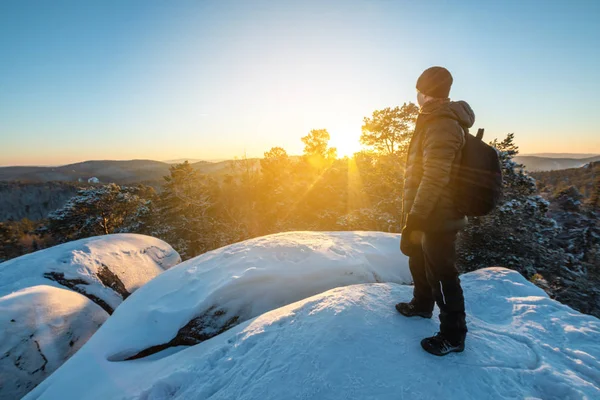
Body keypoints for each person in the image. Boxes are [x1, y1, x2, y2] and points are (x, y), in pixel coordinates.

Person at [396, 66, 474, 356]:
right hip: (427, 208)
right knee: (418, 258)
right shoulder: (432, 120)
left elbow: (435, 176)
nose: (417, 96)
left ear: (427, 93)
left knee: (442, 272)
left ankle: (453, 335)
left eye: (420, 90)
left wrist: (415, 218)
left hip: (439, 213)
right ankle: (421, 304)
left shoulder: (442, 124)